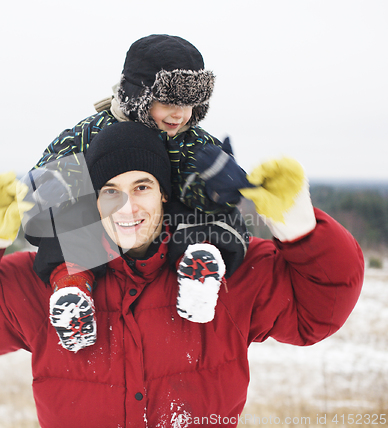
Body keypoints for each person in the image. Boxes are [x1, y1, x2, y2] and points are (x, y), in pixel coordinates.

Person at [0, 121, 364, 428]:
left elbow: (318, 309)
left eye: (142, 187)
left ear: (165, 195)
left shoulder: (227, 276)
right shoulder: (40, 283)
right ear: (93, 201)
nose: (127, 207)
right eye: (110, 192)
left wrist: (300, 227)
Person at [25, 34, 253, 351]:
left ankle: (199, 269)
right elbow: (45, 179)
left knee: (217, 219)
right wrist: (58, 191)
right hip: (109, 228)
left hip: (168, 232)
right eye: (169, 103)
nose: (180, 115)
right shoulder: (91, 133)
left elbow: (210, 194)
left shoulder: (192, 141)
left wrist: (218, 187)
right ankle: (72, 291)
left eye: (189, 105)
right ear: (139, 96)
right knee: (72, 225)